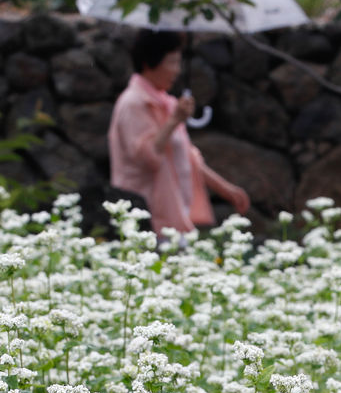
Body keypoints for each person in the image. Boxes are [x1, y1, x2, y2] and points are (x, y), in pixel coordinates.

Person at [107, 29, 250, 240]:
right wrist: (174, 121)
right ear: (149, 63)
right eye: (172, 62)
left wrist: (226, 190)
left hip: (171, 213)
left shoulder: (165, 103)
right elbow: (147, 157)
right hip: (146, 219)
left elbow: (188, 157)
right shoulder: (134, 103)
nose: (177, 70)